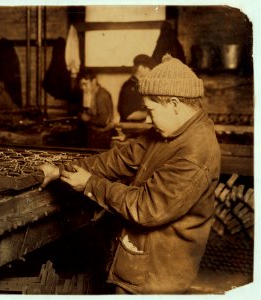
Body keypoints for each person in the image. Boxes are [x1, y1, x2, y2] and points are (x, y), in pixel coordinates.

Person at [37, 54, 221, 294]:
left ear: (175, 104)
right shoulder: (167, 133)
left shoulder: (196, 152)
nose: (147, 118)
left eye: (151, 110)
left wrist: (90, 184)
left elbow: (146, 208)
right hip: (139, 262)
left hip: (157, 277)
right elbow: (120, 158)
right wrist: (61, 170)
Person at [79, 70, 114, 149]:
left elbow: (103, 121)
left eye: (85, 84)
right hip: (93, 134)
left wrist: (87, 118)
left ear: (94, 81)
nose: (83, 88)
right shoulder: (91, 93)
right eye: (81, 85)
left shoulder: (102, 96)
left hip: (101, 137)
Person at [118, 54, 157, 122]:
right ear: (140, 68)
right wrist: (153, 113)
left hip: (140, 127)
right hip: (131, 129)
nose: (151, 72)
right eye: (150, 69)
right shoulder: (129, 87)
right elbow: (129, 115)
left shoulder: (140, 85)